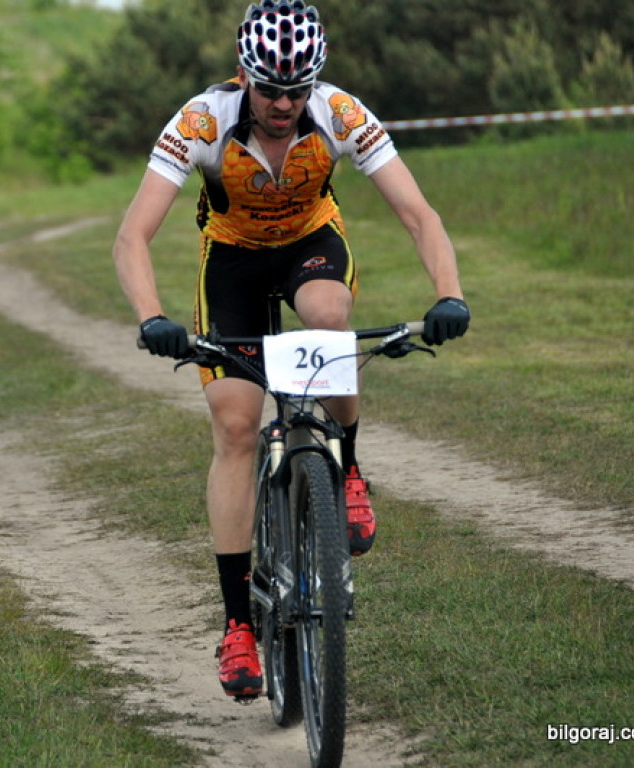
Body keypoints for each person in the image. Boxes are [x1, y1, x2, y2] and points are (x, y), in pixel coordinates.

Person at [112, 0, 470, 700]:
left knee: (330, 312)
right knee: (237, 426)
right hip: (234, 261)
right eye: (270, 88)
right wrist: (151, 316)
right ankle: (238, 625)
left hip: (311, 245)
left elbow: (417, 213)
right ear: (245, 75)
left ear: (315, 81)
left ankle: (351, 469)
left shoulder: (339, 113)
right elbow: (133, 235)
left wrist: (449, 294)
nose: (283, 103)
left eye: (297, 88)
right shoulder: (202, 121)